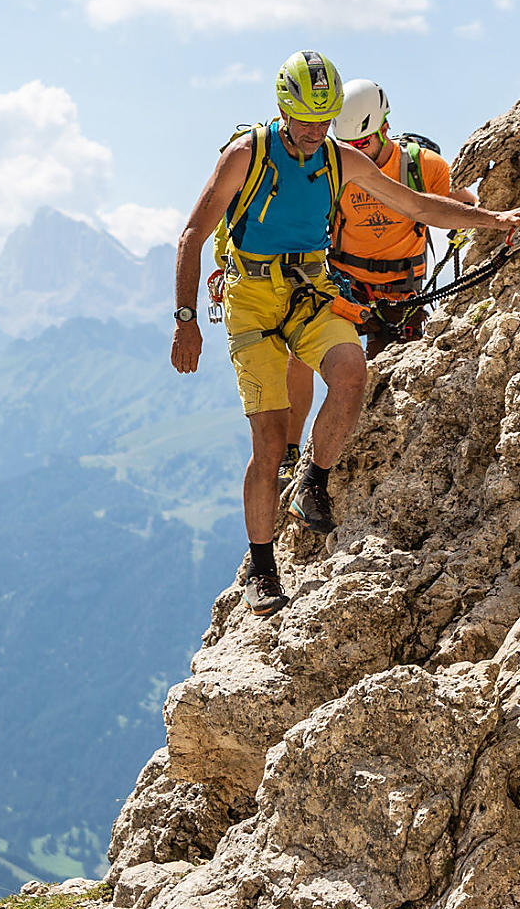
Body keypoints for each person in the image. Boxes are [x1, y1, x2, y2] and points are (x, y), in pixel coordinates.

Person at [171, 50, 520, 618]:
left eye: (324, 120)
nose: (315, 132)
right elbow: (192, 234)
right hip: (252, 300)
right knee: (266, 441)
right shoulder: (247, 155)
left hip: (310, 289)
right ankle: (263, 570)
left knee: (351, 375)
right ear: (284, 109)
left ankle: (315, 477)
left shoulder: (338, 160)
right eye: (305, 120)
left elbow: (417, 206)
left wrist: (496, 222)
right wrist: (185, 320)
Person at [276, 78, 478, 488]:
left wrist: (484, 220)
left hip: (400, 295)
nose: (356, 153)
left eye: (364, 143)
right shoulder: (336, 167)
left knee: (384, 384)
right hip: (346, 286)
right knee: (300, 352)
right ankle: (290, 451)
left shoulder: (424, 168)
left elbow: (455, 205)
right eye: (349, 145)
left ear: (384, 128)